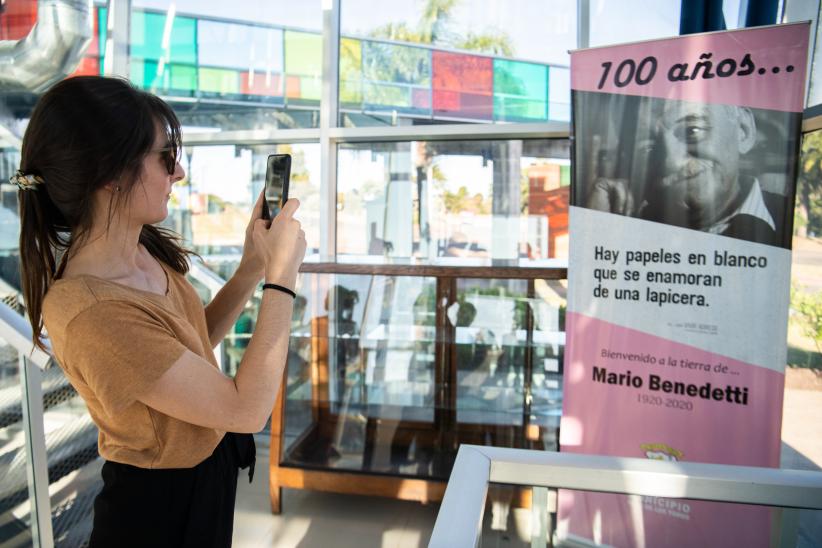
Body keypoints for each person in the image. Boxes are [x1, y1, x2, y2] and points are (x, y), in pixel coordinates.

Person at [14, 76, 306, 547]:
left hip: (208, 474)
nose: (179, 173)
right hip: (161, 509)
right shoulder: (93, 313)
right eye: (166, 157)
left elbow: (192, 339)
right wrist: (282, 279)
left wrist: (253, 267)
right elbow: (246, 409)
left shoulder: (143, 250)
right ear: (110, 171)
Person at [586, 100, 791, 248]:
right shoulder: (626, 230)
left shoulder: (789, 225)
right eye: (648, 148)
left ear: (744, 130)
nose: (672, 162)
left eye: (693, 131)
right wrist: (598, 228)